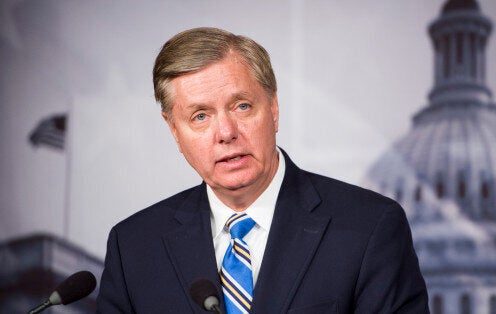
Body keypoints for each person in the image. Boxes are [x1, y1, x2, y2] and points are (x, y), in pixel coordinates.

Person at [97, 27, 429, 314]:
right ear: (173, 130)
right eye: (200, 116)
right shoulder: (134, 248)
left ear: (273, 109)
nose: (226, 132)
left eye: (242, 106)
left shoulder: (370, 228)